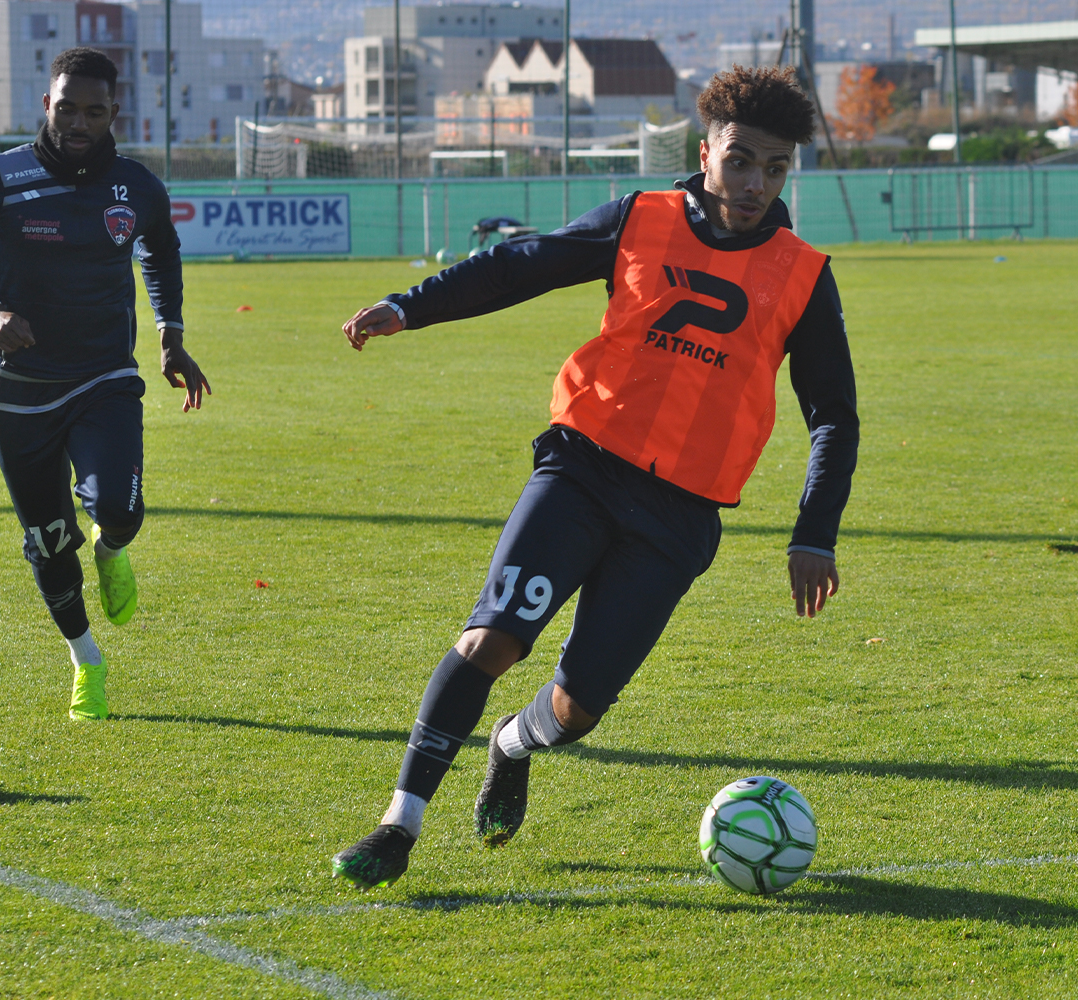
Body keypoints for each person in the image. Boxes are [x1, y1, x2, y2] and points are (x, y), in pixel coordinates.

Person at [330, 65, 859, 889]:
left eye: (776, 168)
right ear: (705, 150)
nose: (756, 183)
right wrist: (412, 305)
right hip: (581, 470)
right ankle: (399, 824)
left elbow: (834, 413)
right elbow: (521, 265)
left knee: (576, 710)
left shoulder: (800, 272)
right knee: (491, 640)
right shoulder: (639, 220)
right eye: (741, 160)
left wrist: (814, 531)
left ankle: (512, 745)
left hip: (681, 516)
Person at [0, 48, 210, 721]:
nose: (79, 121)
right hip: (17, 392)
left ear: (115, 111)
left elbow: (161, 247)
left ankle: (112, 548)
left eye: (95, 110)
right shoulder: (7, 178)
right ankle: (86, 660)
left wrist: (170, 333)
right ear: (46, 105)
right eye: (67, 107)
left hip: (103, 377)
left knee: (118, 509)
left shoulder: (137, 186)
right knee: (50, 542)